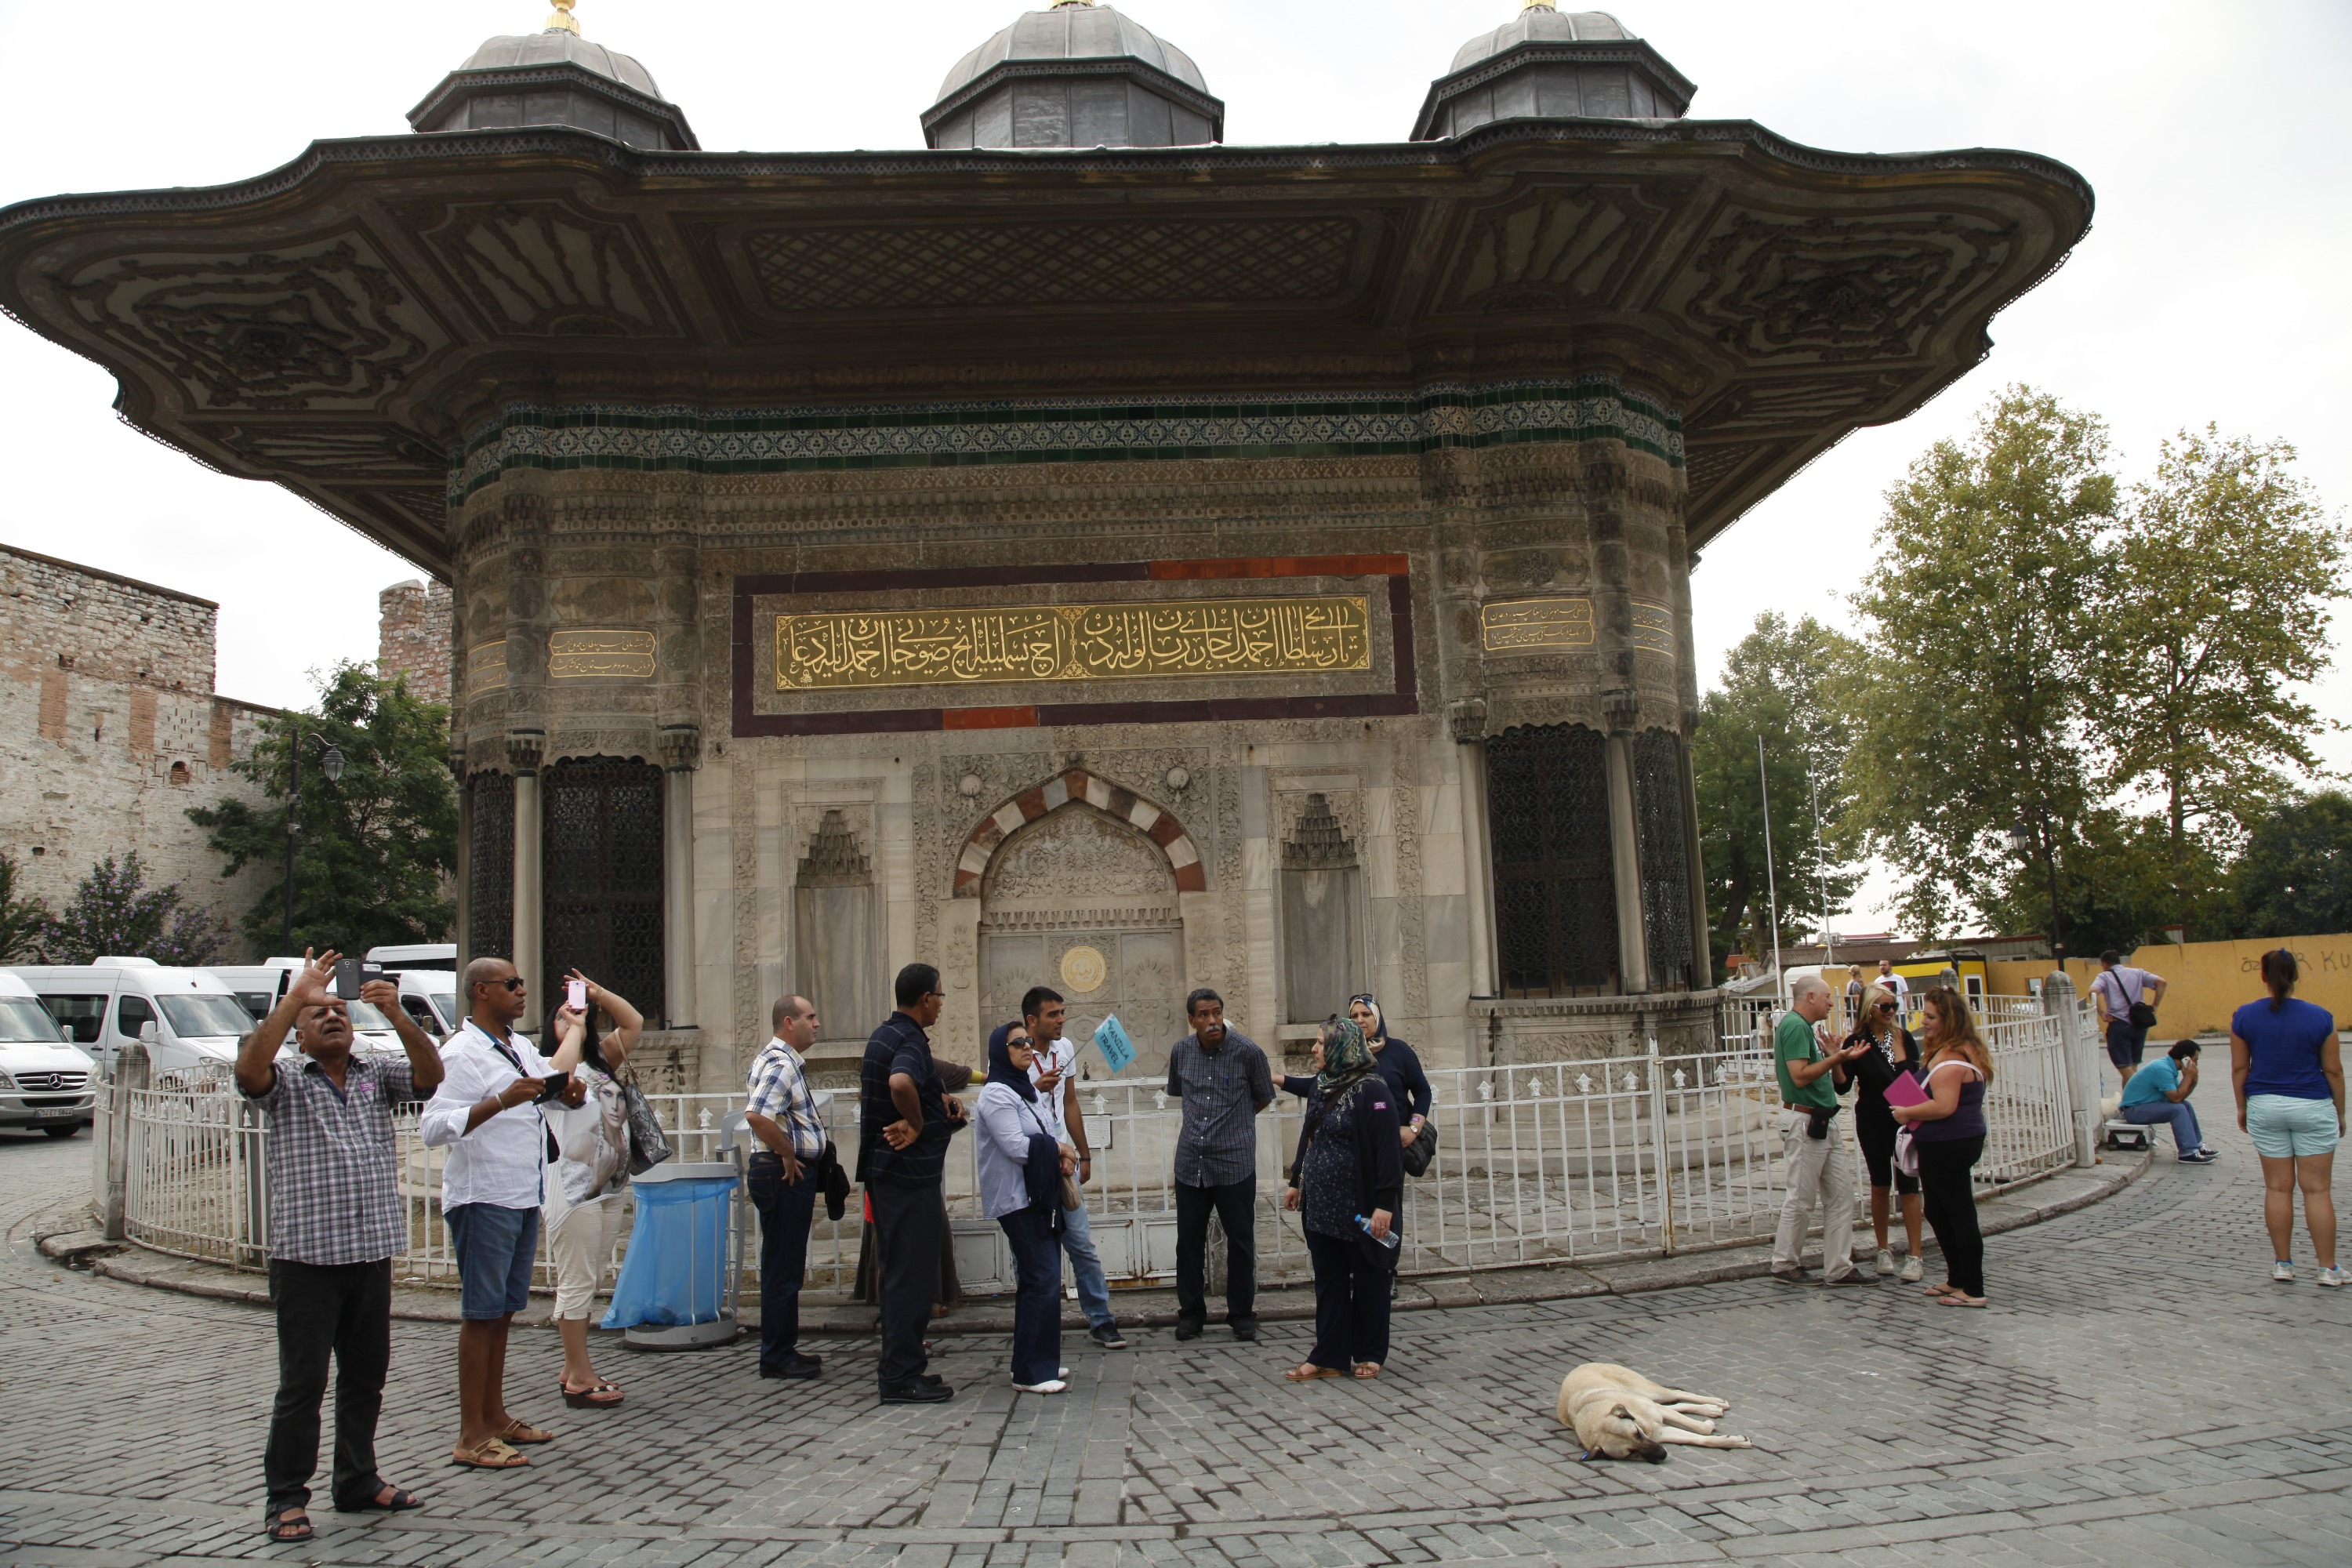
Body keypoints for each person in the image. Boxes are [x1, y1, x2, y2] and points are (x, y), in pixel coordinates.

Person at [234, 949, 442, 1543]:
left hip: (370, 1252)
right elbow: (249, 1073)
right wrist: (294, 997)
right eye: (317, 1015)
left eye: (339, 1012)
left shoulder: (377, 1073)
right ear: (298, 1034)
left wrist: (399, 1016)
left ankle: (356, 1477)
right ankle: (285, 1498)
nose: (332, 1019)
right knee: (303, 1385)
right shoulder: (287, 1083)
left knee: (365, 1378)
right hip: (307, 1261)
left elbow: (430, 1077)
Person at [418, 957, 585, 1468]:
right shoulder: (462, 1052)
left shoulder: (520, 1048)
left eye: (521, 982)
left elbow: (549, 1092)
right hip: (482, 1195)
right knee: (482, 1312)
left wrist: (569, 1093)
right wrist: (498, 1102)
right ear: (480, 991)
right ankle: (471, 1433)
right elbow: (432, 1126)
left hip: (520, 1193)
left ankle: (494, 1415)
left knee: (505, 1311)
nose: (521, 990)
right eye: (511, 984)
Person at [858, 962, 964, 1403]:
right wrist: (919, 1124)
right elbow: (901, 1081)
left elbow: (911, 1086)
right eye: (940, 996)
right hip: (906, 1177)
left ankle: (904, 1367)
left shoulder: (885, 1033)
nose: (941, 1004)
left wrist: (937, 1107)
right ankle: (900, 1377)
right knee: (909, 1275)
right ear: (925, 999)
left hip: (892, 1177)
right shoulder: (910, 1039)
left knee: (903, 1270)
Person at [539, 971, 644, 1410]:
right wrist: (574, 1029)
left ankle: (572, 1366)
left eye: (579, 1015)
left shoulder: (601, 1062)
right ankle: (579, 1375)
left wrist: (599, 994)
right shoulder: (546, 1066)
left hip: (608, 1187)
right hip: (572, 1189)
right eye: (564, 1017)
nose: (575, 1019)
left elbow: (634, 1023)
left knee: (592, 1277)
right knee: (577, 1281)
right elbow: (556, 1078)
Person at [1280, 1015, 1403, 1381]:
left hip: (1361, 1205)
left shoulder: (1373, 1091)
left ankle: (1369, 1352)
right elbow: (1309, 1133)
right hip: (1322, 1205)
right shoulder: (1321, 1084)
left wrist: (1384, 1204)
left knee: (1369, 1277)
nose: (1314, 1049)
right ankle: (1329, 1355)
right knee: (1329, 1280)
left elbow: (1388, 1151)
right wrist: (1296, 1179)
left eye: (1319, 1043)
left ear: (1338, 1048)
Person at [1022, 986, 1128, 1348]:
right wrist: (1035, 1087)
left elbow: (1070, 1103)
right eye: (1053, 1015)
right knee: (1035, 1251)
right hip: (1031, 1167)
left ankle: (1101, 1319)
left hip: (1065, 1165)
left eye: (1062, 1013)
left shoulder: (1064, 1049)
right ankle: (1038, 1324)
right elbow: (1007, 1106)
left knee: (1081, 1244)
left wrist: (1084, 1154)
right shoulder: (1013, 1055)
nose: (1061, 1020)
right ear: (1032, 1020)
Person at [2230, 949, 2346, 1287]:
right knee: (2317, 1190)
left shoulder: (2244, 1017)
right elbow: (2334, 1070)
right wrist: (2339, 1112)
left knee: (2277, 1188)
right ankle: (2328, 1269)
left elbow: (2240, 1067)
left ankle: (2283, 1265)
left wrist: (2242, 1107)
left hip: (2265, 1107)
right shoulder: (2321, 1017)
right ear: (2295, 976)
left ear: (2263, 976)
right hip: (2312, 1105)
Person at [975, 1021, 1080, 1393]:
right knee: (1041, 1279)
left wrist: (1062, 1155)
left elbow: (1047, 1131)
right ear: (1000, 1050)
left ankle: (1039, 1360)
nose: (1026, 1047)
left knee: (1044, 1279)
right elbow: (1017, 1146)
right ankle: (1032, 1373)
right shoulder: (996, 1094)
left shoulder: (1025, 1091)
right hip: (1017, 1199)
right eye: (1016, 1042)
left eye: (1028, 1042)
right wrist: (1059, 1151)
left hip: (1038, 1194)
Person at [1167, 988, 1274, 1341]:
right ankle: (1191, 1313)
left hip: (1234, 1162)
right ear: (1192, 1020)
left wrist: (1234, 1125)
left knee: (1240, 1240)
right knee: (1189, 1242)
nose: (1211, 1021)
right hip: (1191, 1163)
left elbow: (1262, 1097)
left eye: (1216, 1013)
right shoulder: (1181, 1052)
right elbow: (1181, 1094)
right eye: (1203, 1015)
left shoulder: (1248, 1053)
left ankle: (1242, 1314)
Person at [1769, 974, 1873, 1287]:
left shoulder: (1807, 1030)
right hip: (1805, 1122)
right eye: (1827, 996)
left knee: (1841, 1197)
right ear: (1810, 997)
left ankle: (1839, 1267)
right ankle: (1784, 1263)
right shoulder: (1795, 1026)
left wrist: (1834, 1058)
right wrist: (1837, 1058)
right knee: (1800, 1199)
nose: (1831, 1002)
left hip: (1823, 1121)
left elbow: (1837, 1084)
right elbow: (1800, 1076)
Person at [1891, 986, 1992, 1308]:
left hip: (1951, 1141)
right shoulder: (1953, 1050)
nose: (1925, 1021)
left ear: (1949, 1020)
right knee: (1937, 1209)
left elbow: (1944, 1106)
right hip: (1943, 1141)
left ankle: (1973, 1289)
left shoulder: (1951, 1058)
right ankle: (1957, 1278)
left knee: (1959, 1213)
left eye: (1931, 1016)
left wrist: (1906, 1113)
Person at [746, 994, 829, 1381]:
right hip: (782, 1175)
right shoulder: (780, 1064)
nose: (816, 1023)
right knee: (783, 1267)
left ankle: (783, 1347)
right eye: (809, 1017)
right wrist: (787, 1154)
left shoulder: (783, 1062)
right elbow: (757, 1117)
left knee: (785, 1264)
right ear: (788, 1023)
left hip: (783, 1172)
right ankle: (776, 1355)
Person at [1845, 984, 1926, 1281]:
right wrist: (1838, 1059)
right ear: (1869, 1008)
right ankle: (1883, 1248)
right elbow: (1842, 1085)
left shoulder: (1903, 1037)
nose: (1890, 1011)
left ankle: (1915, 1253)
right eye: (1884, 1006)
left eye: (1893, 1005)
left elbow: (1917, 1077)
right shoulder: (1856, 1041)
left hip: (1906, 1119)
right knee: (1880, 1184)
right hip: (1873, 1118)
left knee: (1909, 1186)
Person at [2118, 1040, 2213, 1163]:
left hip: (2143, 1107)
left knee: (2185, 1106)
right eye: (2195, 1060)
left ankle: (2196, 1144)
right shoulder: (2162, 1068)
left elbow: (2180, 1097)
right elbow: (2176, 1098)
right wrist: (2188, 1078)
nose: (2196, 1064)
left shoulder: (2169, 1067)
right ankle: (2188, 1152)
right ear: (2185, 1058)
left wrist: (2193, 1082)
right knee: (2178, 1110)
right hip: (2133, 1111)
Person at [2092, 949, 2169, 1093]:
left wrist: (2102, 1013)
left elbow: (2093, 992)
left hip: (2119, 1023)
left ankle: (2147, 1095)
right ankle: (2129, 1104)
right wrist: (2155, 1006)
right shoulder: (2138, 973)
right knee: (2132, 1066)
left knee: (2125, 1067)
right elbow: (2161, 982)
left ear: (2104, 964)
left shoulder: (2105, 976)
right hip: (2140, 1023)